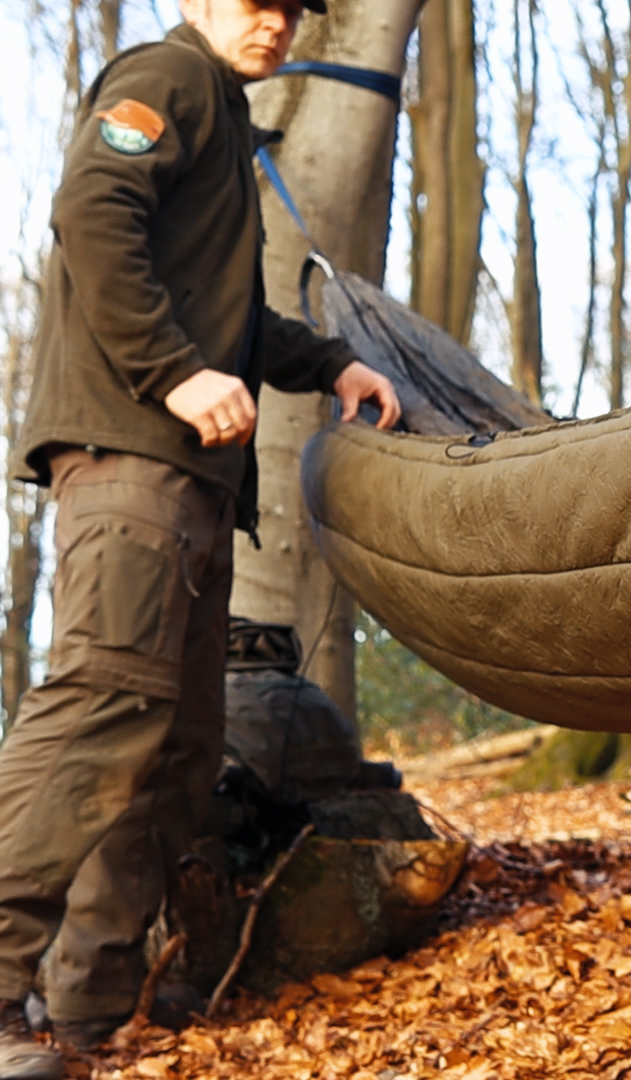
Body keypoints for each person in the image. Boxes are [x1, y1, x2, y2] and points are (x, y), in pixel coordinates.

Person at [0, 0, 400, 1073]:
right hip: (133, 464)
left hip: (191, 492)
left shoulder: (221, 116)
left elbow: (233, 323)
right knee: (97, 718)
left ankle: (83, 1011)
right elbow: (91, 209)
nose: (274, 20)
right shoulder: (165, 78)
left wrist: (330, 364)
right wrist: (174, 373)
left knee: (172, 757)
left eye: (290, 7)